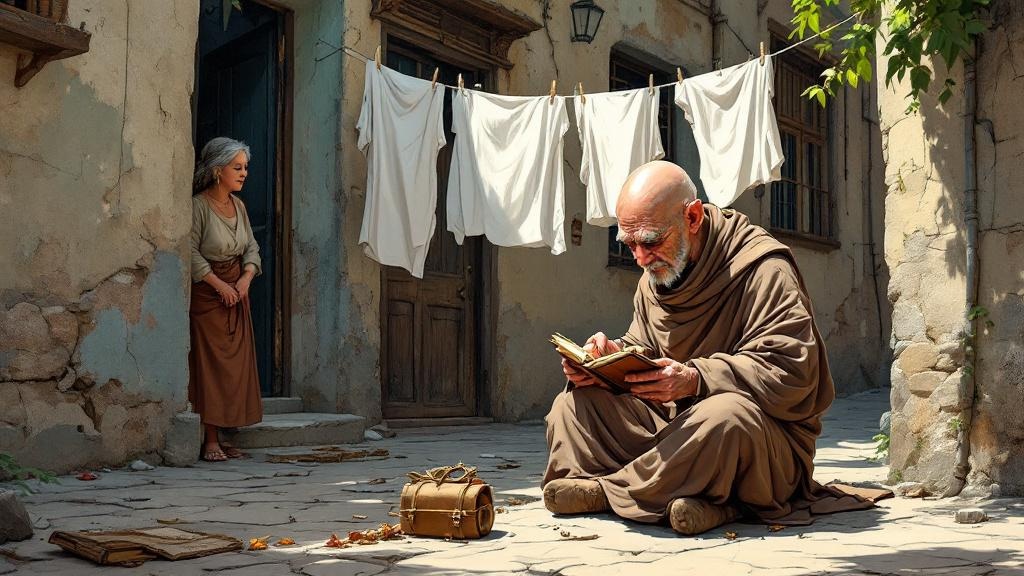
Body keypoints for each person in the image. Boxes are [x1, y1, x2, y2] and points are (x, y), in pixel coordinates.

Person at [543, 161, 879, 535]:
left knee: (725, 416)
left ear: (693, 217)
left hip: (758, 438)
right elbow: (646, 347)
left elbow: (793, 370)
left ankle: (610, 492)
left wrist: (695, 379)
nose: (639, 257)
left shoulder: (762, 268)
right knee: (573, 406)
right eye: (630, 244)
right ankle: (693, 501)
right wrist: (607, 360)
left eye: (651, 241)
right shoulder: (656, 273)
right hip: (675, 425)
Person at [189, 137, 263, 462]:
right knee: (211, 368)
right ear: (218, 170)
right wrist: (219, 285)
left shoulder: (240, 207)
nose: (244, 173)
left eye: (245, 167)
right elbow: (190, 252)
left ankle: (229, 432)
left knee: (236, 369)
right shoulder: (199, 206)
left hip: (237, 294)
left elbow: (251, 247)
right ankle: (210, 440)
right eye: (237, 167)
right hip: (209, 296)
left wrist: (246, 277)